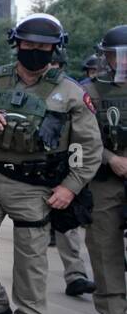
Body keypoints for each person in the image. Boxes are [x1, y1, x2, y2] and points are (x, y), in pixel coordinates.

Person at [0, 14, 103, 314]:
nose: (35, 51)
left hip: (36, 184)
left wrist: (71, 186)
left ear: (55, 49)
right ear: (17, 44)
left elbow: (89, 147)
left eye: (44, 47)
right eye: (29, 45)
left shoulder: (70, 92)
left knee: (31, 258)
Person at [81, 26, 127, 314]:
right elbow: (82, 135)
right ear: (106, 56)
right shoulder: (91, 91)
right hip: (105, 174)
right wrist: (111, 158)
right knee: (103, 245)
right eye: (116, 54)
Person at [49, 51, 95, 296]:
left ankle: (79, 275)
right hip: (43, 170)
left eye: (55, 63)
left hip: (72, 167)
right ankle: (75, 275)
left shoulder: (73, 91)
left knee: (75, 226)